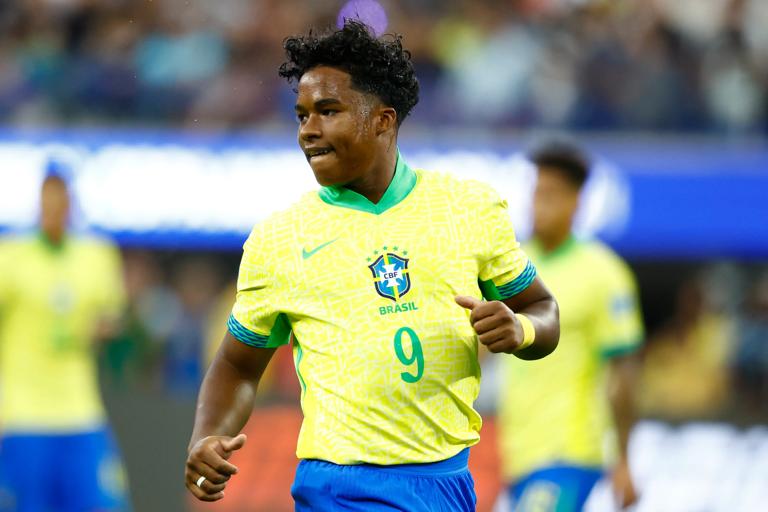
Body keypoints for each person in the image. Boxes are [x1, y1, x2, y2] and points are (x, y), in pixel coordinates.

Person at [184, 21, 560, 511]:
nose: (308, 131)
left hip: (446, 484)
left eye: (328, 111)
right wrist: (207, 437)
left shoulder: (468, 209)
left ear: (383, 120)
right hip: (338, 487)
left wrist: (520, 330)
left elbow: (543, 309)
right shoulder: (279, 238)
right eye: (301, 116)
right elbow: (237, 364)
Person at [496, 140, 644, 511]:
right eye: (536, 194)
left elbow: (624, 373)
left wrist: (624, 460)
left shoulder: (603, 273)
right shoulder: (514, 265)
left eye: (550, 195)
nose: (538, 205)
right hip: (516, 453)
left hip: (569, 450)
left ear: (575, 203)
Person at [0, 164, 129, 511]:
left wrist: (104, 328)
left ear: (71, 200)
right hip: (24, 415)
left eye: (61, 195)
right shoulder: (10, 256)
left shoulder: (96, 255)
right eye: (48, 194)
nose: (54, 204)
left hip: (81, 411)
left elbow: (114, 316)